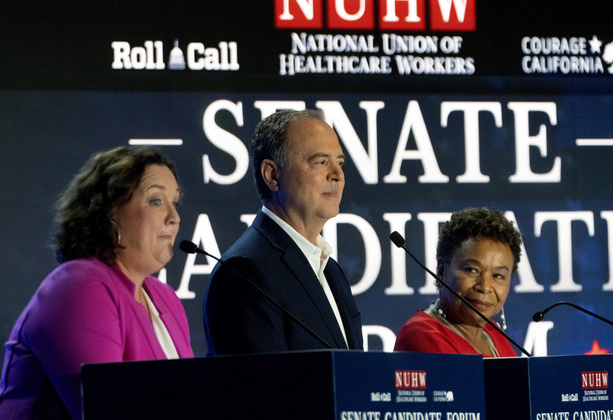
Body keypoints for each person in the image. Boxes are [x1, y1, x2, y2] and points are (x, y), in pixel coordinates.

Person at [0, 146, 194, 420]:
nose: (174, 217)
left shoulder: (164, 297)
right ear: (111, 215)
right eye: (155, 201)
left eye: (174, 202)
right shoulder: (79, 287)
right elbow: (108, 412)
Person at [203, 109, 363, 355]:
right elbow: (262, 387)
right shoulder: (245, 273)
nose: (338, 175)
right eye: (321, 162)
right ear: (272, 175)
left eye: (339, 162)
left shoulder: (330, 270)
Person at [393, 207, 521, 357]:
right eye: (471, 269)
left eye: (498, 275)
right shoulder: (421, 334)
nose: (484, 287)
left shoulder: (493, 333)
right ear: (441, 271)